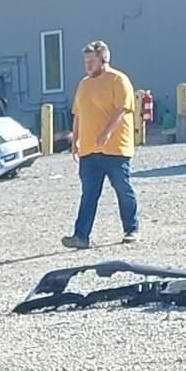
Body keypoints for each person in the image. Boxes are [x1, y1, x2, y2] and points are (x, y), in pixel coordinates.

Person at [64, 40, 139, 250]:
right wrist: (75, 140)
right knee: (89, 193)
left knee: (122, 188)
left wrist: (107, 132)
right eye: (85, 61)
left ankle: (131, 229)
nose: (87, 65)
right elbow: (78, 113)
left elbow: (122, 109)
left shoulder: (118, 80)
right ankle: (81, 236)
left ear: (103, 59)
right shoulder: (84, 85)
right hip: (89, 150)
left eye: (91, 60)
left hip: (115, 149)